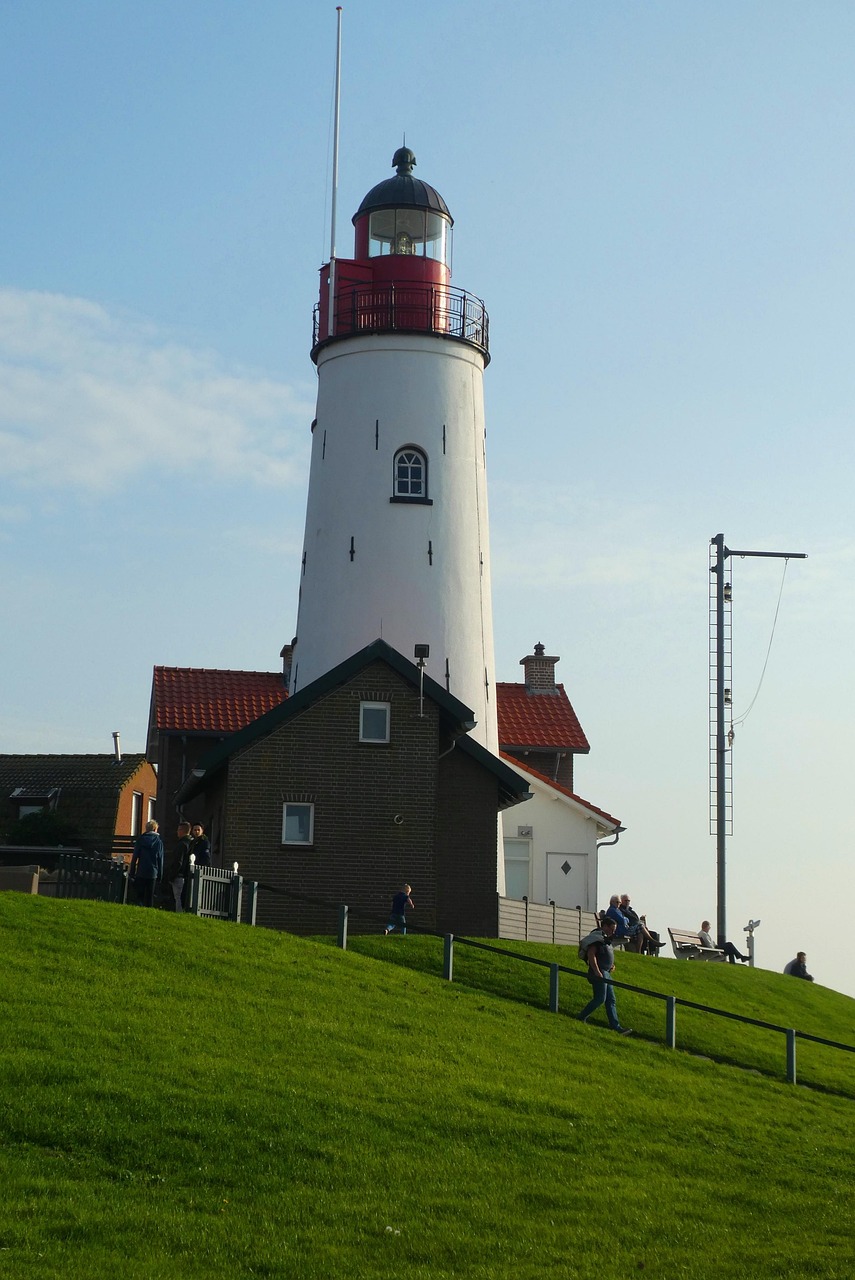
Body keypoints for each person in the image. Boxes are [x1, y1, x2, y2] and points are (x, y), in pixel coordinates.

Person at [577, 916, 633, 1035]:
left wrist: (611, 965)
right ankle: (581, 1017)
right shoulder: (597, 938)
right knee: (600, 998)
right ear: (605, 926)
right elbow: (592, 955)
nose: (613, 932)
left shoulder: (605, 939)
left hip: (605, 972)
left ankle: (616, 1027)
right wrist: (597, 971)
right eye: (611, 929)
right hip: (599, 972)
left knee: (610, 1000)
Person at [129, 819, 164, 907]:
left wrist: (132, 871)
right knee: (150, 896)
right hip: (153, 872)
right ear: (155, 829)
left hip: (141, 871)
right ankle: (149, 911)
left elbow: (135, 856)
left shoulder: (140, 840)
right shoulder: (158, 842)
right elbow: (160, 859)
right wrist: (160, 875)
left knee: (139, 895)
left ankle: (139, 909)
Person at [167, 821, 194, 913]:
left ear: (183, 831)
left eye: (179, 830)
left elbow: (178, 861)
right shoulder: (192, 843)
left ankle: (179, 914)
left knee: (178, 898)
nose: (177, 832)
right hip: (188, 875)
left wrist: (172, 875)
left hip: (179, 875)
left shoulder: (181, 844)